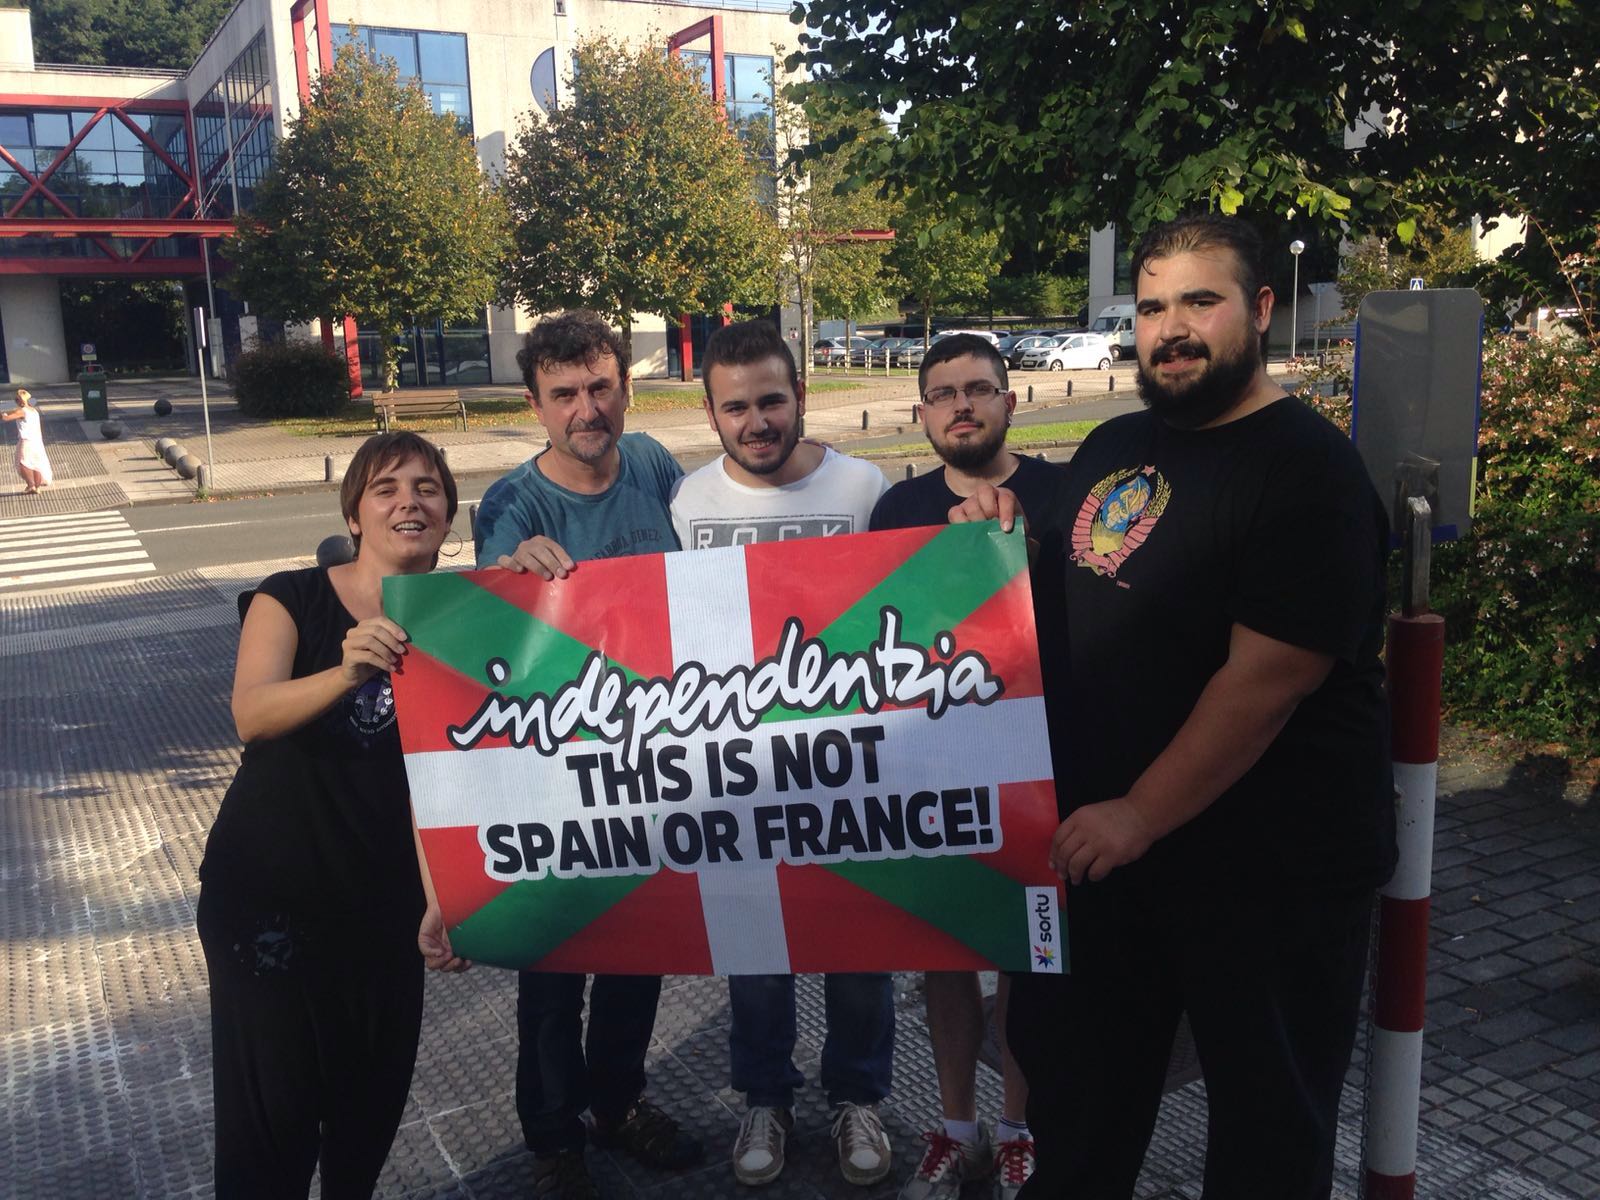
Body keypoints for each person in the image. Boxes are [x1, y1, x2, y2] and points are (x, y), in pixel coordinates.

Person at [968, 214, 1395, 1199]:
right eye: (1151, 305)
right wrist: (993, 543)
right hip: (1106, 863)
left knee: (1265, 1132)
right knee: (1076, 1111)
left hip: (1265, 873)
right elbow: (1075, 586)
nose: (1170, 327)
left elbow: (1267, 680)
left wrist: (1138, 814)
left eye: (1199, 301)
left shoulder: (1307, 471)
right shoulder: (1118, 440)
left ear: (1258, 309)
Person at [197, 431, 463, 1198]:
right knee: (271, 1124)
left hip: (382, 912)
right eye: (386, 488)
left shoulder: (457, 623)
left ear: (447, 514)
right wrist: (344, 671)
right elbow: (251, 712)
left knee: (367, 1115)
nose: (408, 501)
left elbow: (436, 780)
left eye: (427, 488)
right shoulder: (292, 595)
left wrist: (444, 897)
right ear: (354, 513)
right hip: (271, 902)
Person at [473, 310, 699, 1200]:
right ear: (536, 405)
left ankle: (619, 1103)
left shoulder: (651, 463)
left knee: (640, 954)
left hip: (652, 770)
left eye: (600, 386)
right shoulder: (512, 504)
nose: (586, 408)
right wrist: (511, 573)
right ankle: (553, 1137)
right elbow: (497, 639)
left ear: (625, 387)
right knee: (556, 973)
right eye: (564, 394)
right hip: (559, 782)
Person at [669, 318, 895, 1190]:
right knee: (754, 952)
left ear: (801, 396)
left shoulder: (864, 485)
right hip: (740, 772)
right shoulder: (689, 504)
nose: (756, 421)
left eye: (771, 400)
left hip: (854, 764)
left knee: (859, 944)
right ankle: (765, 1095)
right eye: (737, 408)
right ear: (711, 413)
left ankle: (858, 1097)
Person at [869, 333, 1062, 1200]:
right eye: (943, 393)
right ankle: (956, 1127)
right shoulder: (895, 512)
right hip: (932, 762)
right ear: (921, 414)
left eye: (979, 389)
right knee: (941, 951)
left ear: (1010, 401)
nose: (962, 405)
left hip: (1043, 758)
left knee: (1029, 950)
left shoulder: (1064, 497)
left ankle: (1018, 1125)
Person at [3, 388, 53, 494]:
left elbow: (6, 418)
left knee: (23, 463)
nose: (16, 401)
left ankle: (31, 485)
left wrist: (3, 415)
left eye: (16, 399)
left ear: (21, 400)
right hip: (37, 441)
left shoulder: (22, 411)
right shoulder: (33, 411)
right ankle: (37, 486)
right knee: (36, 463)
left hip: (26, 441)